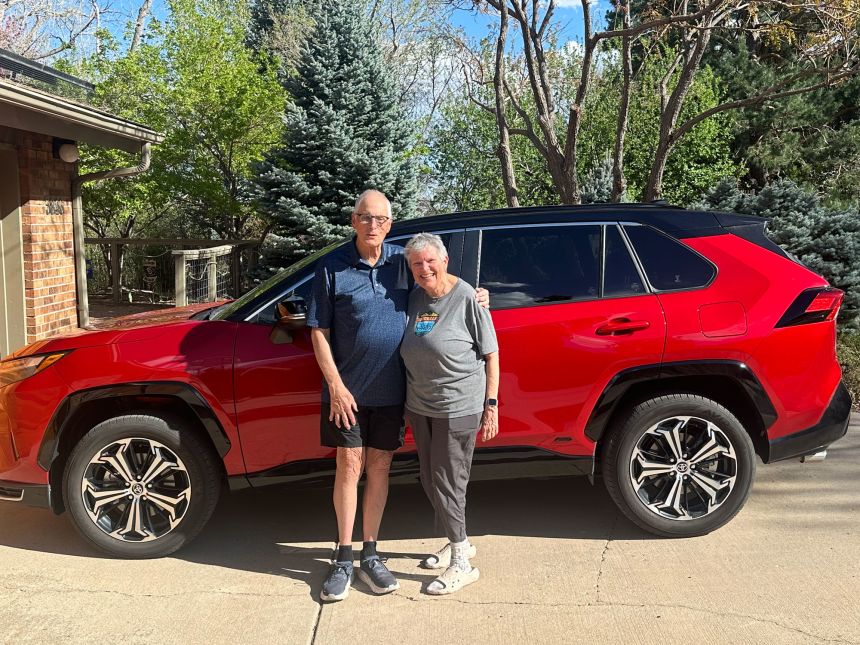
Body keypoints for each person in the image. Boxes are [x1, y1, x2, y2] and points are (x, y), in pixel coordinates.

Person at [307, 190, 488, 602]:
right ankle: (342, 556)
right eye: (366, 218)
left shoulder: (400, 263)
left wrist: (477, 296)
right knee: (349, 468)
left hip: (394, 392)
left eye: (382, 219)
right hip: (347, 394)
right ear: (353, 220)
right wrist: (335, 385)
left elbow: (438, 284)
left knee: (380, 468)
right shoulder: (332, 267)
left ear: (390, 223)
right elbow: (318, 331)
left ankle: (371, 553)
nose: (374, 225)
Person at [399, 232, 499, 595]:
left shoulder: (469, 298)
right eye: (416, 263)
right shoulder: (416, 298)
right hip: (421, 404)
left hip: (458, 406)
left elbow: (491, 354)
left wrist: (491, 405)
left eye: (430, 261)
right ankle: (459, 541)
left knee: (447, 480)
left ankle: (462, 562)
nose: (424, 268)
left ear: (444, 260)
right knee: (430, 478)